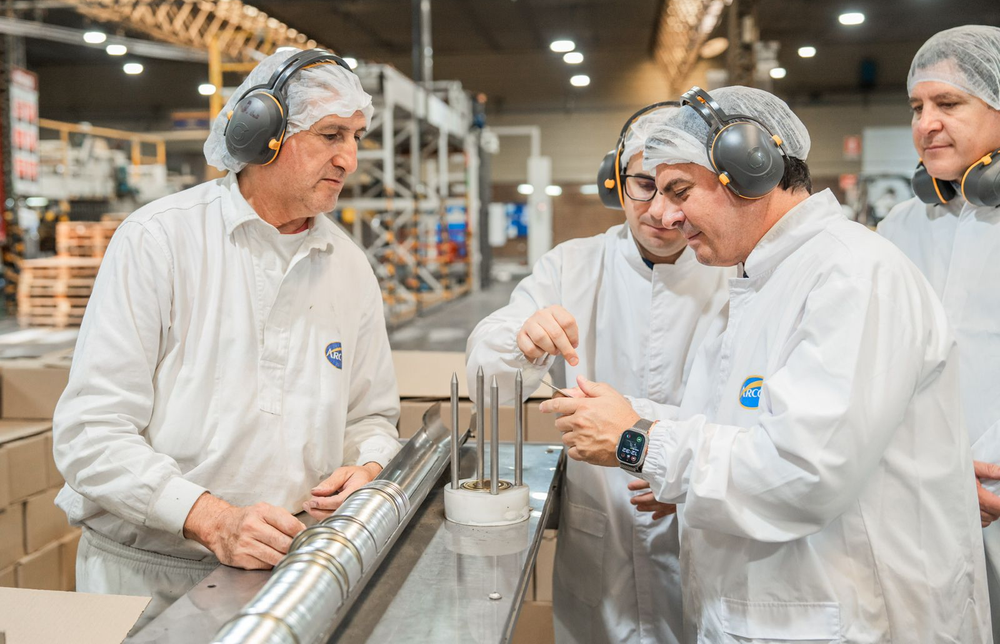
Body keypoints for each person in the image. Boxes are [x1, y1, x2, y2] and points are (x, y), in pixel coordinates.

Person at [541, 85, 991, 641]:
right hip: (774, 613)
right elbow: (735, 428)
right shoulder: (756, 281)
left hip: (856, 617)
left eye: (679, 189)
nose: (663, 215)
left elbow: (801, 473)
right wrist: (630, 414)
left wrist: (637, 441)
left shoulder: (851, 275)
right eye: (654, 192)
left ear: (750, 170)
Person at [52, 48, 401, 629]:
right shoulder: (159, 241)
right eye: (331, 134)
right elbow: (91, 434)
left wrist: (366, 466)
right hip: (146, 580)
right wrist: (209, 518)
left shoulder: (348, 266)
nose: (350, 157)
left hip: (286, 577)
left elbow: (371, 418)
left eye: (357, 136)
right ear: (260, 132)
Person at [466, 106, 731, 643]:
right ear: (616, 179)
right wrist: (524, 338)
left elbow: (762, 422)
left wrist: (676, 469)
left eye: (679, 191)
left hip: (700, 537)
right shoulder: (573, 266)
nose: (660, 213)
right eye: (641, 185)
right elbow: (487, 377)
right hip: (600, 544)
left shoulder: (733, 275)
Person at [877, 24, 1000, 638]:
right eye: (917, 107)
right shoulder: (901, 225)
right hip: (921, 498)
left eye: (949, 104)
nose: (926, 123)